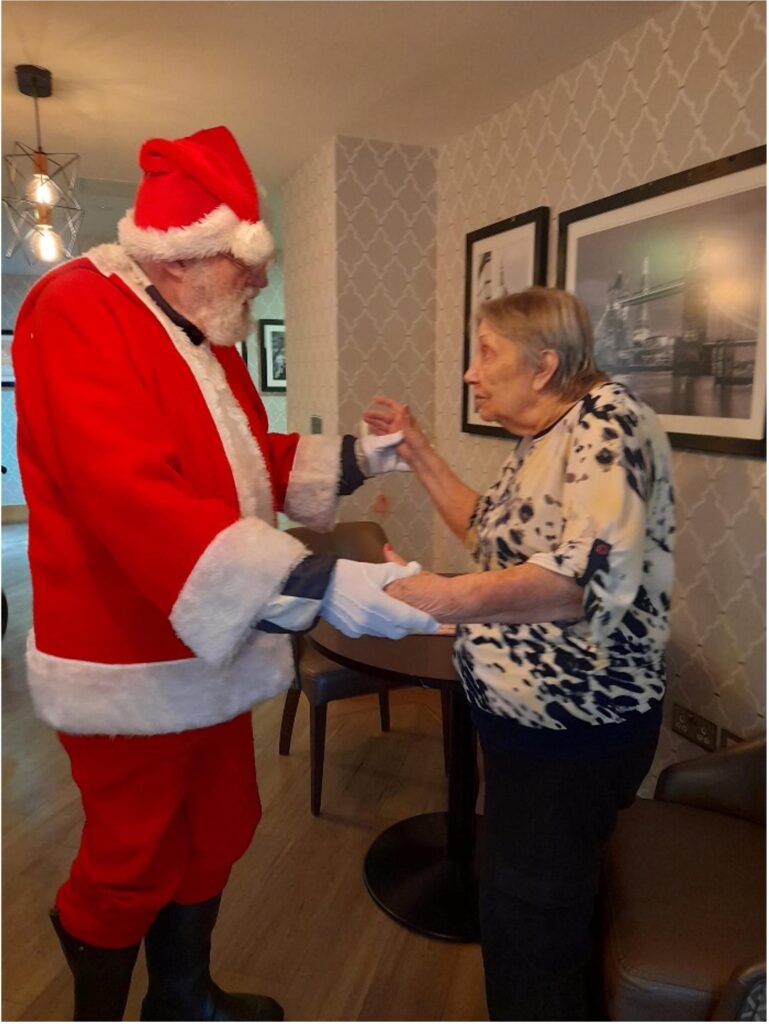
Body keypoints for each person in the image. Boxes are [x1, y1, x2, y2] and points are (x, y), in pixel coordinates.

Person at [12, 125, 437, 1023]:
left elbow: (253, 458)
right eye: (247, 263)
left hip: (213, 643)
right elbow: (127, 494)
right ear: (184, 256)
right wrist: (319, 582)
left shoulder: (207, 340)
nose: (259, 280)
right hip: (127, 654)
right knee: (130, 858)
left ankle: (181, 997)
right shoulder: (73, 307)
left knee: (217, 828)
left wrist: (362, 457)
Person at [366, 286, 675, 1021]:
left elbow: (582, 583)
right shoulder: (542, 437)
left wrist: (446, 598)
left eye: (484, 353)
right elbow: (485, 526)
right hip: (520, 730)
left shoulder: (610, 421)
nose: (470, 373)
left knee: (531, 924)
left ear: (541, 366)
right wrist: (416, 449)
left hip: (573, 735)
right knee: (519, 905)